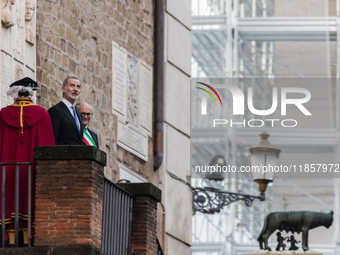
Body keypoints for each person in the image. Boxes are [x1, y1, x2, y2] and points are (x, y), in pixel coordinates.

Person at [0, 77, 55, 247]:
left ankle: (8, 238)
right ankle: (26, 239)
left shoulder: (3, 114)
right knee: (29, 198)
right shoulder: (43, 115)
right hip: (33, 170)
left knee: (8, 197)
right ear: (32, 94)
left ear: (15, 94)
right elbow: (49, 148)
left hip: (6, 170)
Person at [48, 76, 83, 145]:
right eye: (72, 86)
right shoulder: (56, 110)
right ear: (63, 89)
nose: (76, 89)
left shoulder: (78, 114)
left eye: (78, 87)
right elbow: (52, 140)